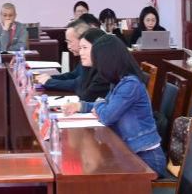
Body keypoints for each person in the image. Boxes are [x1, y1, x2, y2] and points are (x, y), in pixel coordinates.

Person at [62, 35, 166, 177]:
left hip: (146, 160)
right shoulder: (118, 82)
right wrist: (81, 106)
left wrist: (100, 105)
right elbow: (106, 106)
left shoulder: (130, 85)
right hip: (129, 153)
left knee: (99, 176)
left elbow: (107, 116)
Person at [37, 15, 99, 90]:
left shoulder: (94, 57)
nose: (68, 47)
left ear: (82, 39)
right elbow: (73, 75)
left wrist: (49, 82)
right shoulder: (85, 56)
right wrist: (51, 78)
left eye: (70, 42)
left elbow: (78, 84)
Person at [73, 27, 114, 102]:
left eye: (85, 48)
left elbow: (86, 98)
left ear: (99, 48)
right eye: (80, 48)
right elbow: (80, 91)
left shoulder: (106, 74)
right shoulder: (93, 68)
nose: (81, 53)